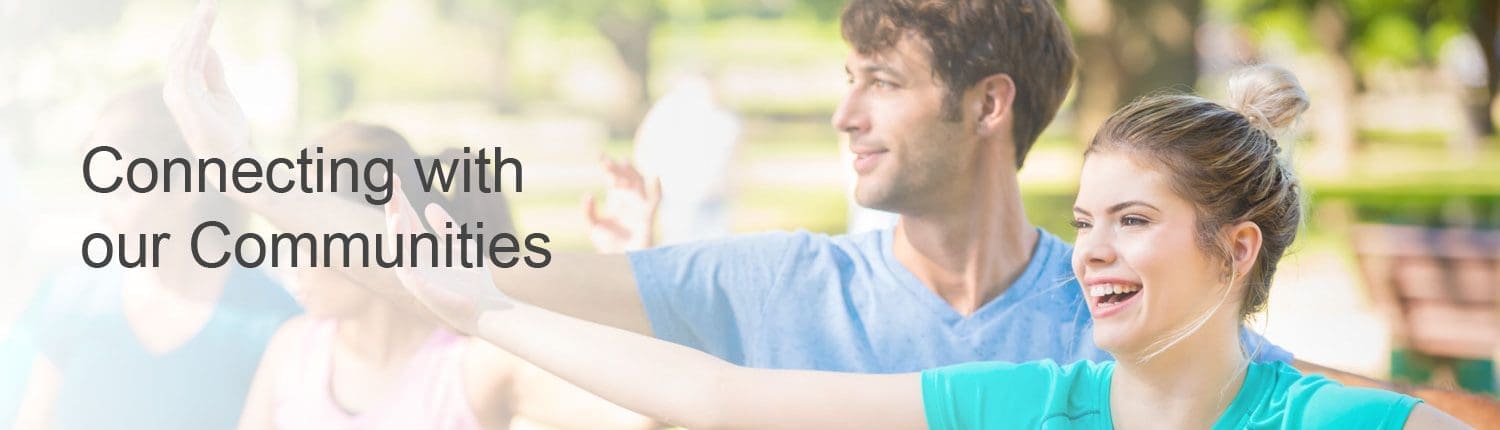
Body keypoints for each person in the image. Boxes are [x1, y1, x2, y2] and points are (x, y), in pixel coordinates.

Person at [163, 0, 1500, 423]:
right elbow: (455, 279)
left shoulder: (1110, 347)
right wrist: (245, 169)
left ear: (987, 106)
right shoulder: (770, 285)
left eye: (878, 82)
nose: (843, 113)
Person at [382, 65, 1468, 429]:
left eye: (1132, 221)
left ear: (1236, 250)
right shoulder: (1039, 400)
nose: (1090, 252)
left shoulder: (1327, 419)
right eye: (1084, 221)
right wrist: (484, 311)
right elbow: (722, 398)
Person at [235, 123, 658, 429]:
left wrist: (630, 274)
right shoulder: (292, 350)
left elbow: (640, 413)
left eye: (306, 238)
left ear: (375, 236)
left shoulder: (471, 365)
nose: (287, 257)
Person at [14, 84, 303, 429]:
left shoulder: (276, 325)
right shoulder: (71, 298)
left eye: (119, 191)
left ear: (185, 188)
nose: (104, 214)